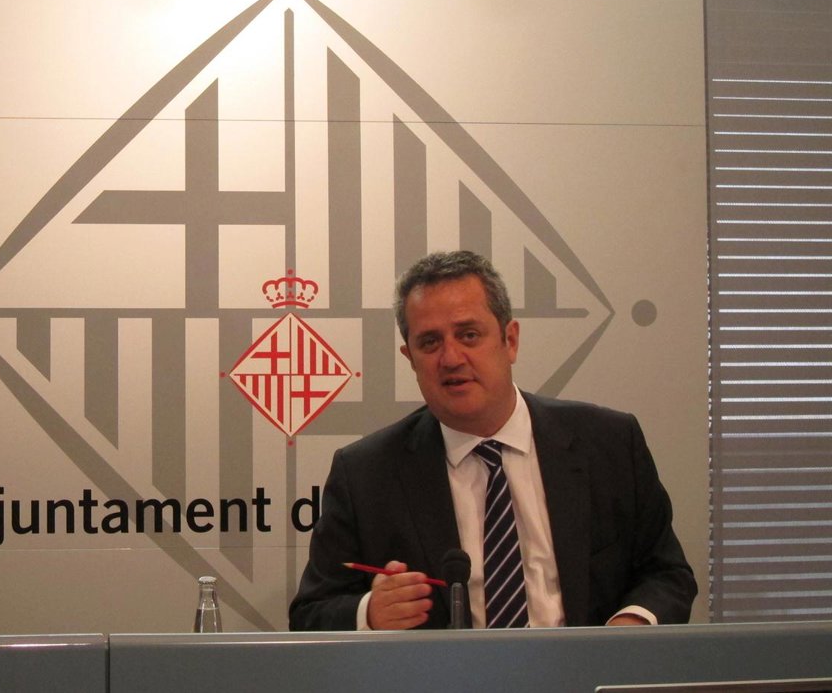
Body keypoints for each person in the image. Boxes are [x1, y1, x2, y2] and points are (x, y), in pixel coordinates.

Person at [289, 250, 697, 631]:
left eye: (468, 335)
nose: (451, 358)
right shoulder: (366, 473)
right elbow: (310, 613)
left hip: (585, 673)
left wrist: (630, 626)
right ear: (409, 357)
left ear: (510, 340)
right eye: (430, 342)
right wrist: (370, 613)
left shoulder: (609, 443)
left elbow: (665, 573)